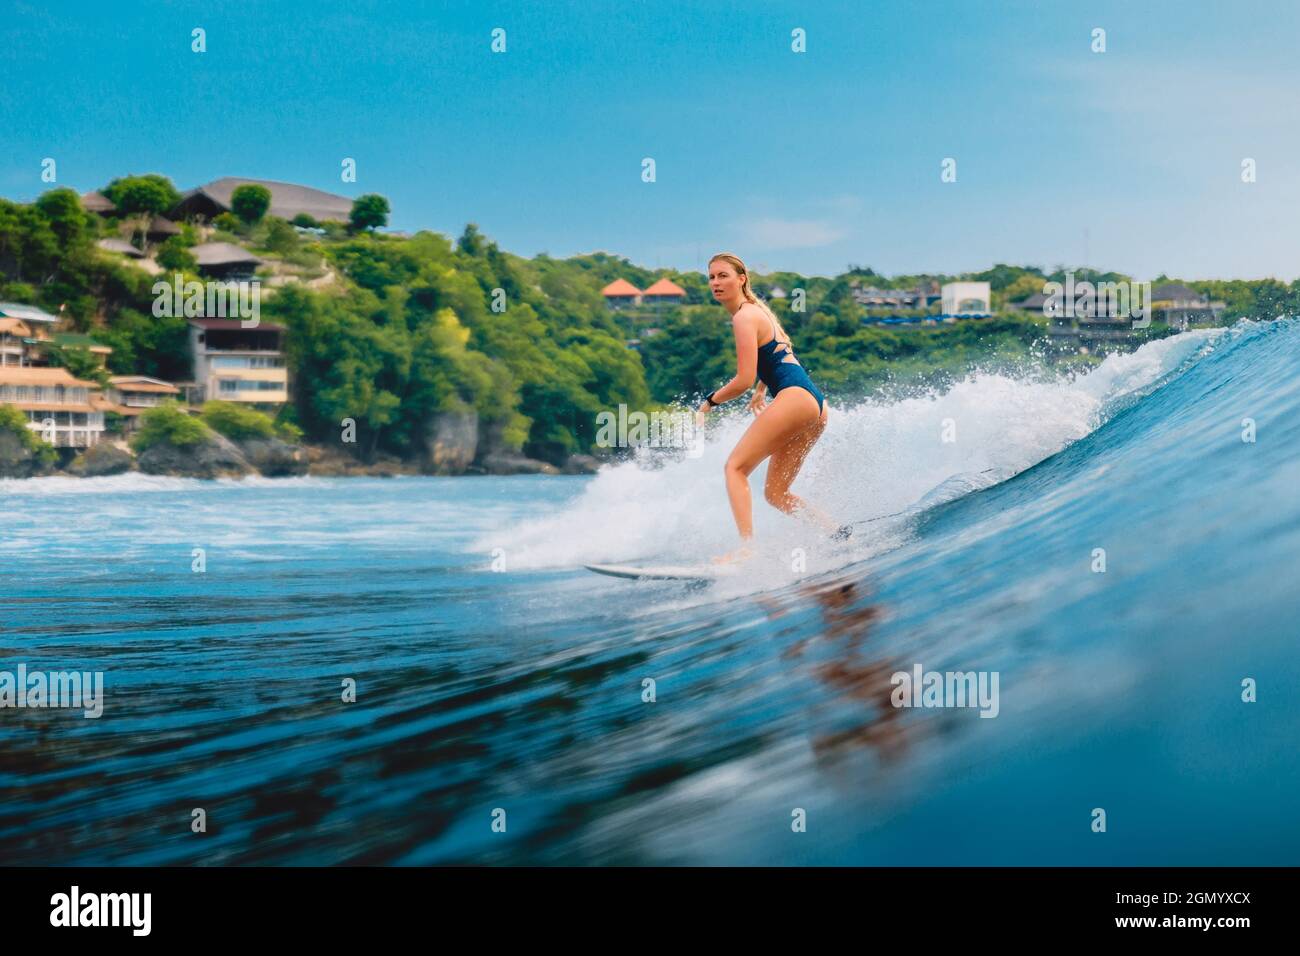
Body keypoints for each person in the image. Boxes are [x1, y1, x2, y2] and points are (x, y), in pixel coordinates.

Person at [696, 252, 841, 563]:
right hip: (815, 404)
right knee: (776, 494)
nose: (716, 283)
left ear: (741, 278)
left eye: (723, 276)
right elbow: (778, 352)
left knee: (735, 468)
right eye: (711, 277)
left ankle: (747, 550)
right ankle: (835, 533)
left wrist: (708, 403)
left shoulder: (743, 317)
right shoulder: (758, 312)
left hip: (796, 399)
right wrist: (763, 390)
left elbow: (743, 379)